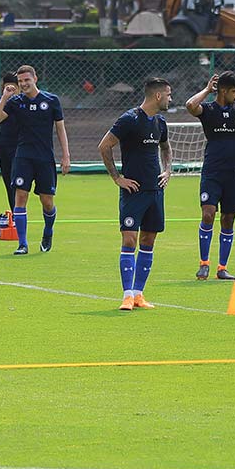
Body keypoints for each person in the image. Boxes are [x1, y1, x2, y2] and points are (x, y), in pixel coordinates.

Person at [98, 78, 173, 310]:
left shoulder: (160, 122)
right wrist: (117, 178)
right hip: (134, 192)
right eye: (169, 95)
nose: (171, 99)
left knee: (148, 241)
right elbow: (104, 146)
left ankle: (139, 294)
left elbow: (165, 147)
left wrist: (168, 170)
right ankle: (127, 295)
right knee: (129, 239)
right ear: (158, 96)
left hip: (155, 191)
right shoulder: (129, 119)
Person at [0, 64, 71, 255]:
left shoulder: (51, 100)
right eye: (20, 81)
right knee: (20, 197)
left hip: (44, 157)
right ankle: (22, 243)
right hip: (23, 156)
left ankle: (48, 231)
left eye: (27, 80)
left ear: (35, 79)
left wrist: (65, 155)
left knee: (47, 201)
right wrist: (5, 98)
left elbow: (60, 129)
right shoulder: (15, 102)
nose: (23, 84)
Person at [183, 72, 235, 281]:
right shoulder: (208, 110)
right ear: (223, 91)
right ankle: (204, 263)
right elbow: (190, 105)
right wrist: (207, 90)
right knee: (208, 214)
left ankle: (222, 268)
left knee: (228, 218)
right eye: (234, 91)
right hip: (212, 172)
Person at [0, 72, 21, 210]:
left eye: (13, 88)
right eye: (7, 88)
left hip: (20, 147)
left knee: (17, 180)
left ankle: (19, 212)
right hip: (5, 146)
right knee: (8, 181)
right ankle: (14, 212)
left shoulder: (23, 102)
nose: (10, 91)